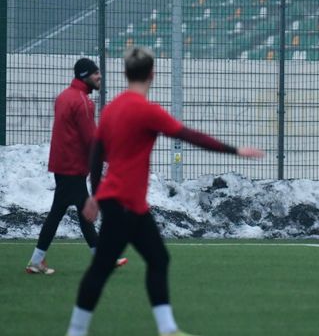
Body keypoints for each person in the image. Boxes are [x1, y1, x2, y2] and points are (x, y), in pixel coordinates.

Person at [66, 47, 264, 336]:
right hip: (125, 203)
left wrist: (95, 194)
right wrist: (235, 150)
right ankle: (76, 331)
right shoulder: (148, 111)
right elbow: (189, 135)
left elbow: (96, 154)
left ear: (125, 73)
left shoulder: (111, 109)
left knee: (158, 259)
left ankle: (167, 328)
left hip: (124, 203)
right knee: (103, 267)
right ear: (152, 74)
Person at [25, 58, 128, 275]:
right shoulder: (83, 102)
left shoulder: (64, 96)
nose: (99, 76)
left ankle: (40, 260)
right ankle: (37, 261)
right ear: (84, 75)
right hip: (72, 167)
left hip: (63, 165)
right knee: (67, 213)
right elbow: (91, 140)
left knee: (77, 213)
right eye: (95, 73)